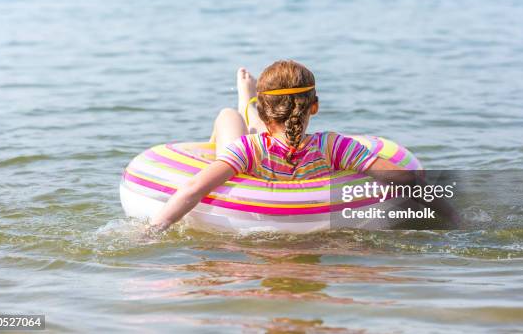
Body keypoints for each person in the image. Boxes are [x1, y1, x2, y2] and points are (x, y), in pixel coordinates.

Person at [150, 60, 418, 231]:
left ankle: (246, 105)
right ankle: (247, 103)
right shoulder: (334, 146)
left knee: (227, 117)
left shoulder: (248, 149)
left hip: (250, 151)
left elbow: (193, 188)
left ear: (268, 112)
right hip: (270, 139)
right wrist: (445, 212)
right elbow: (404, 177)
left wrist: (153, 229)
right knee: (242, 124)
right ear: (314, 107)